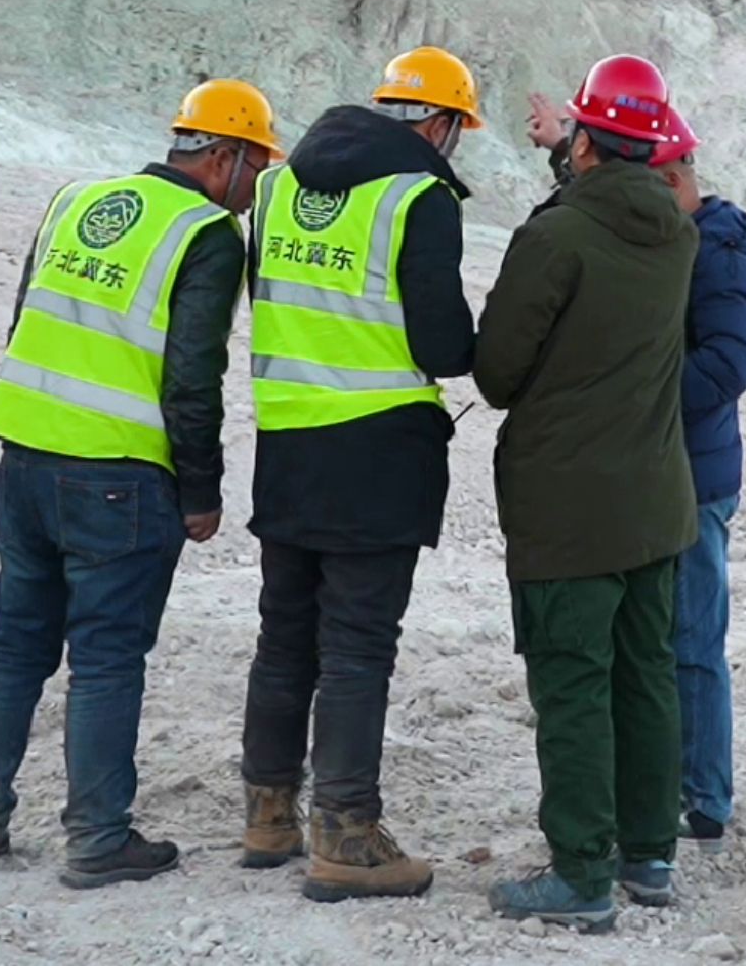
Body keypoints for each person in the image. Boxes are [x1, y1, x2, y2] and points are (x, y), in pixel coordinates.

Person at [0, 79, 278, 888]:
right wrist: (201, 489)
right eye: (257, 168)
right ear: (224, 156)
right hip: (116, 473)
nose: (256, 189)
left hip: (25, 451)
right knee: (107, 657)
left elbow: (25, 317)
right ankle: (97, 837)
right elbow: (192, 375)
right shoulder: (207, 233)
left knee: (15, 641)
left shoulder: (76, 198)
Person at [235, 47, 486, 900]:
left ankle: (268, 813)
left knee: (284, 634)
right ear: (442, 124)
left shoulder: (277, 186)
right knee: (356, 645)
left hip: (286, 442)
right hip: (376, 451)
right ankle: (345, 834)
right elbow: (441, 345)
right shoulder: (418, 196)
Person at [476, 55, 699, 933]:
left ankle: (581, 872)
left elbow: (497, 373)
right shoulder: (677, 234)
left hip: (568, 508)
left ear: (586, 143)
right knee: (646, 675)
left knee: (573, 684)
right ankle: (649, 853)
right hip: (655, 501)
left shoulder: (557, 237)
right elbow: (608, 201)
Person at [645, 107, 746, 846]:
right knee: (666, 638)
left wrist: (637, 393)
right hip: (671, 466)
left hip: (695, 475)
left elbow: (730, 363)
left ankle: (704, 797)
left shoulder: (719, 253)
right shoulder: (688, 237)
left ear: (671, 181)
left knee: (692, 640)